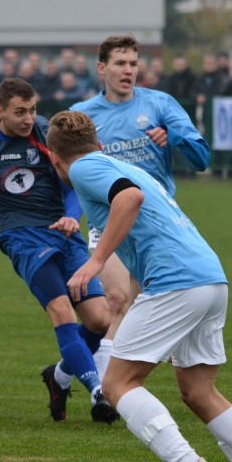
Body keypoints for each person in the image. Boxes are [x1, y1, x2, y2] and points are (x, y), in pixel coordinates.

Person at [46, 109, 232, 462]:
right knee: (198, 392)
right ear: (100, 144)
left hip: (176, 281)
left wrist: (96, 261)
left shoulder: (84, 167)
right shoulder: (120, 164)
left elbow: (129, 198)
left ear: (54, 159)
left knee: (118, 384)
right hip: (209, 279)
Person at [0, 79, 116, 423]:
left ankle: (59, 377)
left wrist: (71, 216)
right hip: (23, 240)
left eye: (32, 110)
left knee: (100, 320)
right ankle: (98, 393)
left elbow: (74, 183)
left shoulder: (47, 133)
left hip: (64, 233)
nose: (29, 118)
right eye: (20, 112)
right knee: (62, 310)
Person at [68, 34, 211, 389]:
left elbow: (201, 159)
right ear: (102, 68)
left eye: (133, 63)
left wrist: (173, 138)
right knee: (116, 301)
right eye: (120, 63)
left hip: (156, 227)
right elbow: (67, 172)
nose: (128, 70)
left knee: (137, 309)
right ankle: (104, 395)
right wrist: (70, 212)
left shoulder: (160, 104)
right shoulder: (83, 114)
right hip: (108, 222)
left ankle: (63, 375)